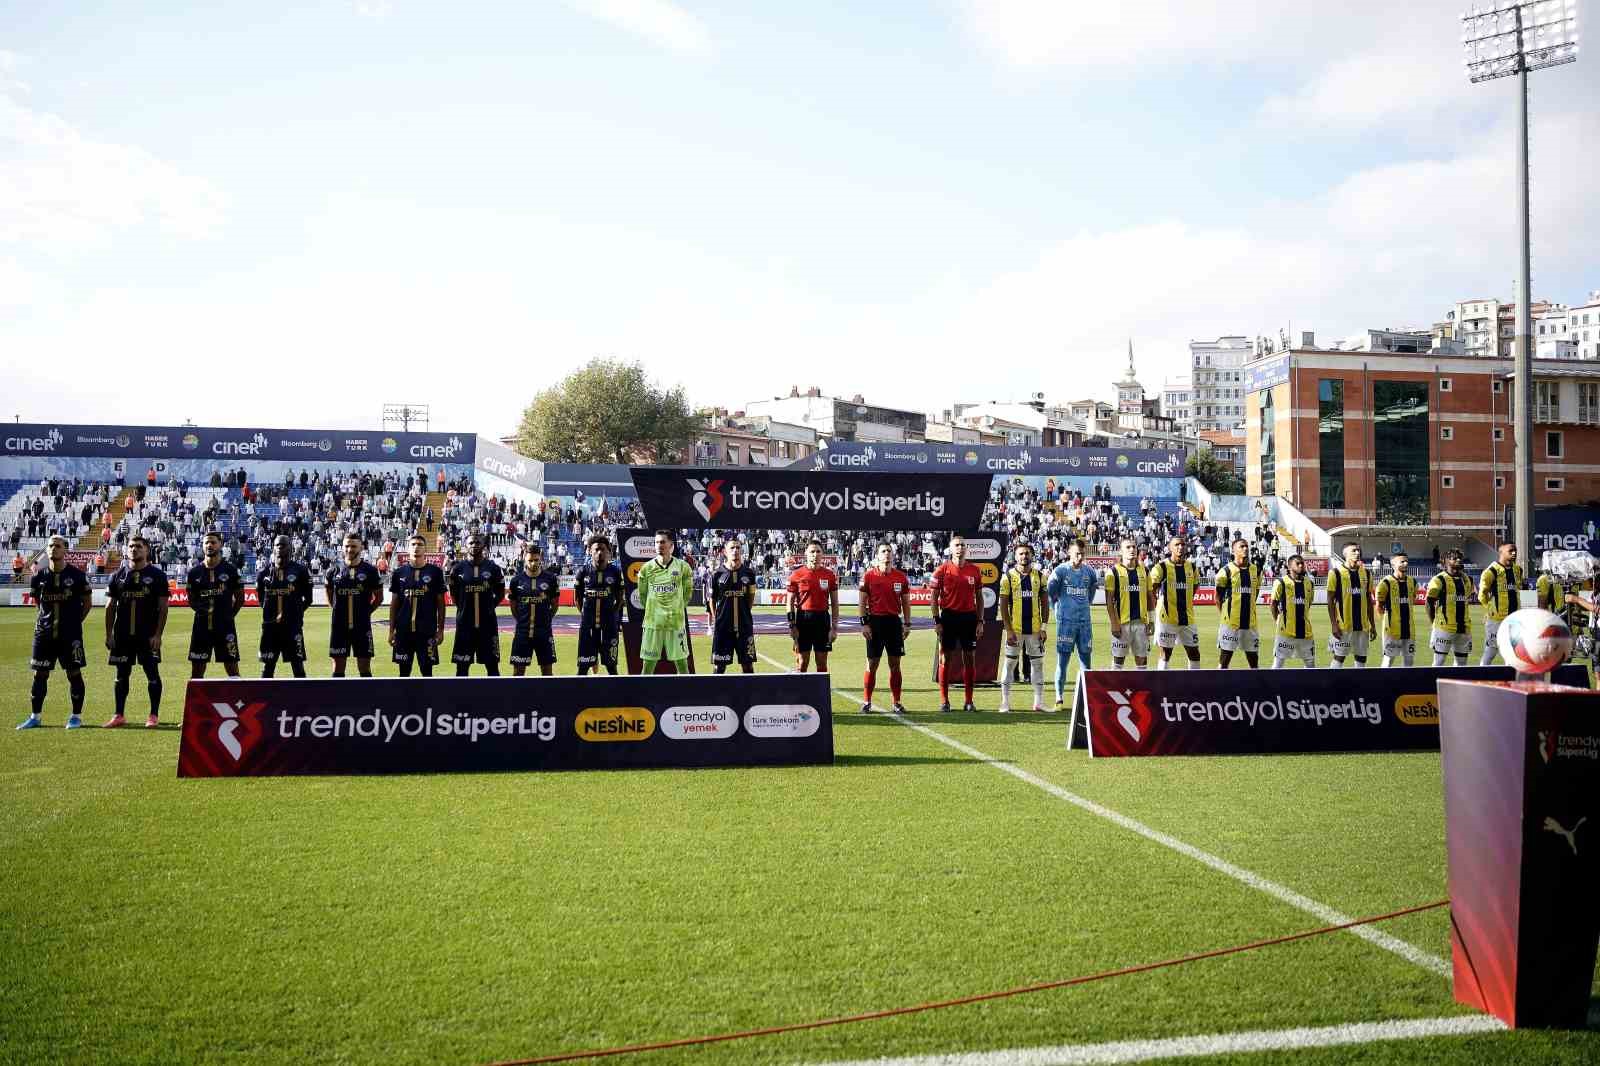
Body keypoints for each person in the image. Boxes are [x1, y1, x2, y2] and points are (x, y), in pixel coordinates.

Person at [17, 536, 91, 730]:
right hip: (44, 635)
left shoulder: (77, 575)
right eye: (50, 546)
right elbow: (38, 605)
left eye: (57, 546)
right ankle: (35, 716)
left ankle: (76, 716)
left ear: (65, 550)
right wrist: (45, 622)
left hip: (70, 636)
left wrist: (74, 623)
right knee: (39, 674)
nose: (53, 549)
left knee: (74, 673)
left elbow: (87, 603)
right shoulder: (38, 577)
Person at [104, 534, 170, 727]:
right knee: (121, 675)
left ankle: (153, 715)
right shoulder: (117, 576)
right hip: (122, 635)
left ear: (147, 550)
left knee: (152, 674)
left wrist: (158, 635)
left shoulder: (157, 576)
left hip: (147, 636)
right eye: (131, 546)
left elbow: (163, 607)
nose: (134, 549)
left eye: (139, 546)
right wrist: (109, 634)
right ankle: (118, 715)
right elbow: (110, 607)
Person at [930, 533, 984, 712]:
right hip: (949, 618)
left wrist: (980, 621)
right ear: (951, 549)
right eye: (957, 545)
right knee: (945, 659)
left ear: (966, 549)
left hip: (968, 618)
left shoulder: (974, 571)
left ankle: (969, 701)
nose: (960, 548)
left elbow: (979, 598)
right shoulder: (942, 570)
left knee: (970, 659)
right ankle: (944, 701)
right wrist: (937, 621)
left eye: (962, 545)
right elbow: (934, 597)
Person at [858, 542, 910, 714]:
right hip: (875, 623)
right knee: (872, 663)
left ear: (892, 555)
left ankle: (897, 702)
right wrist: (864, 623)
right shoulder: (869, 576)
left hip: (894, 623)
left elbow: (906, 603)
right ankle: (866, 701)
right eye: (883, 551)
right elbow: (862, 602)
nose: (887, 553)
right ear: (877, 555)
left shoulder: (901, 577)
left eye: (889, 551)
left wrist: (907, 624)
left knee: (895, 664)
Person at [1046, 538, 1097, 708]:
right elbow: (1050, 593)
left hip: (1084, 623)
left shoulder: (1089, 572)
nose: (1080, 557)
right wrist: (1058, 610)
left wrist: (1083, 607)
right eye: (1077, 554)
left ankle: (1085, 698)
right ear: (1069, 553)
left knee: (1086, 662)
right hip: (1066, 623)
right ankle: (1059, 698)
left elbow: (1091, 593)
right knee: (1063, 661)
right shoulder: (1060, 571)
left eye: (1082, 554)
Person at [187, 530, 244, 679]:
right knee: (197, 672)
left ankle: (237, 701)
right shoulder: (194, 572)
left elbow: (240, 598)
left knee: (232, 669)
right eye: (206, 542)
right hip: (201, 627)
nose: (209, 545)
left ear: (220, 545)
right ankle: (199, 703)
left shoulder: (230, 570)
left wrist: (229, 615)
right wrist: (202, 612)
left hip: (225, 627)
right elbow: (191, 599)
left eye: (213, 542)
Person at [999, 541, 1048, 713]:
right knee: (1009, 664)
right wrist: (1009, 630)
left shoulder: (1040, 576)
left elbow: (1045, 603)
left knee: (1038, 665)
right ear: (1015, 556)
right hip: (1016, 630)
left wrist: (1044, 627)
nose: (1024, 556)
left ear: (1032, 555)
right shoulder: (1008, 577)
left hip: (1034, 631)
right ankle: (1005, 702)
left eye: (1027, 553)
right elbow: (1003, 606)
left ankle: (1038, 702)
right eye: (1021, 553)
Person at [389, 533, 446, 677]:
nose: (416, 548)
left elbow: (441, 604)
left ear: (425, 549)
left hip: (427, 631)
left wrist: (440, 630)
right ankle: (404, 700)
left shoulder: (435, 572)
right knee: (403, 673)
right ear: (408, 548)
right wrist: (391, 630)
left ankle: (427, 701)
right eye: (413, 544)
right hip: (403, 632)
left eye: (420, 545)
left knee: (427, 672)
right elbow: (394, 604)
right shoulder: (398, 573)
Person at [449, 532, 506, 676]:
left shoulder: (493, 568)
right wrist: (464, 608)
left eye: (478, 543)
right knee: (461, 668)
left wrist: (489, 606)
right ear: (465, 546)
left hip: (488, 626)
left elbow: (500, 593)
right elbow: (454, 594)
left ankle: (495, 698)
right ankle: (461, 698)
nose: (474, 545)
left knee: (492, 668)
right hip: (464, 626)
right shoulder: (457, 569)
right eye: (471, 543)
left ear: (484, 546)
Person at [327, 533, 384, 677]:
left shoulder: (370, 571)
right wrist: (335, 609)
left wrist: (366, 612)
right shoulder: (333, 570)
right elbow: (328, 592)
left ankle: (368, 700)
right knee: (338, 668)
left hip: (362, 626)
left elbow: (379, 597)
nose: (349, 549)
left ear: (361, 547)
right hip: (339, 627)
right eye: (346, 546)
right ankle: (337, 699)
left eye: (353, 546)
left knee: (364, 668)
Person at [639, 529, 694, 674]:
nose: (659, 545)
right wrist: (654, 611)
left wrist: (676, 609)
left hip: (675, 623)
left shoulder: (683, 567)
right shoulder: (646, 569)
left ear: (671, 545)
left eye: (663, 542)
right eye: (657, 542)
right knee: (648, 665)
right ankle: (642, 696)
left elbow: (687, 594)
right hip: (653, 623)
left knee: (682, 664)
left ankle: (687, 695)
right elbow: (643, 595)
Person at [258, 535, 314, 678]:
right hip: (270, 628)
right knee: (267, 668)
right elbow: (261, 599)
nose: (280, 548)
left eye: (283, 545)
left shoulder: (300, 571)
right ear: (273, 548)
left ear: (290, 548)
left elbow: (308, 599)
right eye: (277, 545)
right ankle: (265, 699)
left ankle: (304, 700)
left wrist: (295, 613)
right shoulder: (263, 573)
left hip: (293, 627)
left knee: (298, 667)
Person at [786, 539, 839, 674]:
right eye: (812, 551)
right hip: (803, 619)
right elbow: (789, 602)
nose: (815, 554)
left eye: (818, 551)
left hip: (822, 620)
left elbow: (834, 603)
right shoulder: (796, 575)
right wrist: (792, 626)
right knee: (802, 663)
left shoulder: (829, 575)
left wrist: (834, 628)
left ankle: (820, 694)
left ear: (822, 554)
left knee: (822, 664)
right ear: (806, 554)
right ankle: (800, 694)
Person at [509, 542, 560, 677]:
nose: (533, 563)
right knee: (518, 672)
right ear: (524, 559)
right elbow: (513, 607)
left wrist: (546, 619)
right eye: (530, 560)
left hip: (544, 632)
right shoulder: (516, 581)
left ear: (541, 559)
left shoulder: (550, 579)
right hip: (522, 632)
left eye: (536, 560)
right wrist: (522, 621)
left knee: (547, 671)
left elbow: (555, 605)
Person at [707, 540, 758, 676]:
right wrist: (717, 618)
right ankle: (715, 697)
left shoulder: (749, 573)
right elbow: (711, 600)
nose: (735, 550)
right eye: (732, 548)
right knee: (719, 668)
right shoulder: (716, 574)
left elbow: (751, 597)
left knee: (748, 666)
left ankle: (749, 696)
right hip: (723, 628)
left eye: (738, 548)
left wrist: (745, 613)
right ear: (725, 552)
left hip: (744, 627)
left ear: (741, 551)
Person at [574, 535, 623, 676]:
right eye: (596, 549)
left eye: (603, 549)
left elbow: (620, 599)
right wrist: (585, 614)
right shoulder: (582, 572)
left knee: (611, 668)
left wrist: (611, 615)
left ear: (608, 551)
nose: (599, 553)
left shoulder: (615, 572)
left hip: (609, 627)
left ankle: (617, 697)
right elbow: (577, 598)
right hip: (587, 627)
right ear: (590, 551)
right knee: (583, 668)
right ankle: (577, 696)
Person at [1150, 535, 1201, 670]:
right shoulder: (1161, 567)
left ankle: (1195, 685)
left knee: (1194, 653)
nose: (1180, 547)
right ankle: (1161, 685)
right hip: (1167, 619)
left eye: (1183, 544)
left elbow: (1195, 586)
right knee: (1166, 654)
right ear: (1170, 548)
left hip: (1188, 618)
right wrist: (1156, 607)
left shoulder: (1192, 567)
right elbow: (1151, 590)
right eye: (1177, 544)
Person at [1104, 537, 1152, 669]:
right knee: (1118, 661)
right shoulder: (1113, 572)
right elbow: (1109, 601)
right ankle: (1115, 688)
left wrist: (1151, 621)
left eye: (1134, 547)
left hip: (1141, 624)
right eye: (1128, 547)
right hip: (1122, 624)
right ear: (1121, 551)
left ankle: (1142, 689)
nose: (1132, 549)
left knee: (1142, 661)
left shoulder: (1145, 571)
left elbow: (1149, 597)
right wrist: (1114, 623)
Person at [1215, 537, 1262, 669]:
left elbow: (1255, 593)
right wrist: (1225, 614)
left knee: (1253, 660)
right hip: (1230, 623)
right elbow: (1218, 597)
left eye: (1246, 546)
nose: (1245, 548)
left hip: (1250, 623)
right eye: (1241, 546)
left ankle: (1255, 685)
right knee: (1225, 658)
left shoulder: (1256, 571)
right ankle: (1219, 686)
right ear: (1233, 550)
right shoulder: (1226, 571)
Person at [1327, 543, 1375, 668]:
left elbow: (1369, 601)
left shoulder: (1367, 574)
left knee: (1361, 658)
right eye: (1353, 551)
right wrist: (1334, 625)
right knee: (1339, 657)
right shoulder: (1335, 573)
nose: (1357, 553)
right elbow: (1330, 601)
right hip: (1343, 627)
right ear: (1345, 554)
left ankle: (1358, 686)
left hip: (1363, 626)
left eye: (1359, 550)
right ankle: (1331, 685)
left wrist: (1373, 625)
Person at [1477, 542, 1524, 665]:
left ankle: (1509, 680)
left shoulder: (1518, 570)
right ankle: (1481, 676)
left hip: (1514, 619)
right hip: (1496, 619)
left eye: (1515, 551)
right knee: (1491, 650)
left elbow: (1516, 590)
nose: (1514, 553)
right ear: (1501, 552)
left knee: (1512, 652)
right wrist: (1490, 610)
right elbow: (1482, 595)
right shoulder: (1491, 571)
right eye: (1510, 551)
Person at [1426, 548, 1474, 666]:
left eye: (1459, 558)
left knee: (1462, 663)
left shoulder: (1467, 580)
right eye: (1454, 558)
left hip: (1464, 628)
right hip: (1444, 628)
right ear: (1445, 562)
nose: (1458, 560)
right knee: (1439, 661)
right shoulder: (1439, 580)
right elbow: (1429, 603)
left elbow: (1466, 599)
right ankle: (1432, 684)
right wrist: (1434, 624)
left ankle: (1456, 685)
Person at [1271, 553, 1317, 669]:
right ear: (1290, 567)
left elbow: (1308, 603)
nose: (1302, 566)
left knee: (1311, 664)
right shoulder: (1281, 582)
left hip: (1305, 632)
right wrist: (1277, 620)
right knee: (1277, 664)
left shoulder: (1310, 583)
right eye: (1298, 564)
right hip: (1285, 632)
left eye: (1303, 563)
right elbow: (1273, 603)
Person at [1375, 552, 1420, 667]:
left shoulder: (1413, 582)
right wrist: (1387, 622)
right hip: (1391, 630)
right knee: (1389, 659)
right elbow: (1379, 606)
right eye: (1402, 561)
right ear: (1393, 564)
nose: (1405, 564)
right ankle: (1384, 684)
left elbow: (1412, 599)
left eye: (1406, 561)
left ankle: (1405, 683)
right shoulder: (1385, 583)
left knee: (1409, 661)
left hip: (1409, 629)